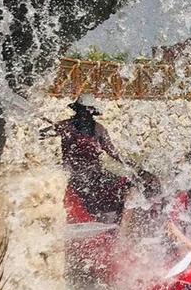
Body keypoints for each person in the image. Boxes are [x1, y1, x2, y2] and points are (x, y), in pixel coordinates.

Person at [40, 94, 131, 222]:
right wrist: (55, 129)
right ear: (76, 111)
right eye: (80, 111)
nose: (82, 115)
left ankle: (117, 223)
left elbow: (113, 153)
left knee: (126, 185)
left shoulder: (99, 130)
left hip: (95, 174)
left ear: (91, 113)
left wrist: (128, 165)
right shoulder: (66, 126)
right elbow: (40, 134)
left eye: (85, 112)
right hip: (73, 175)